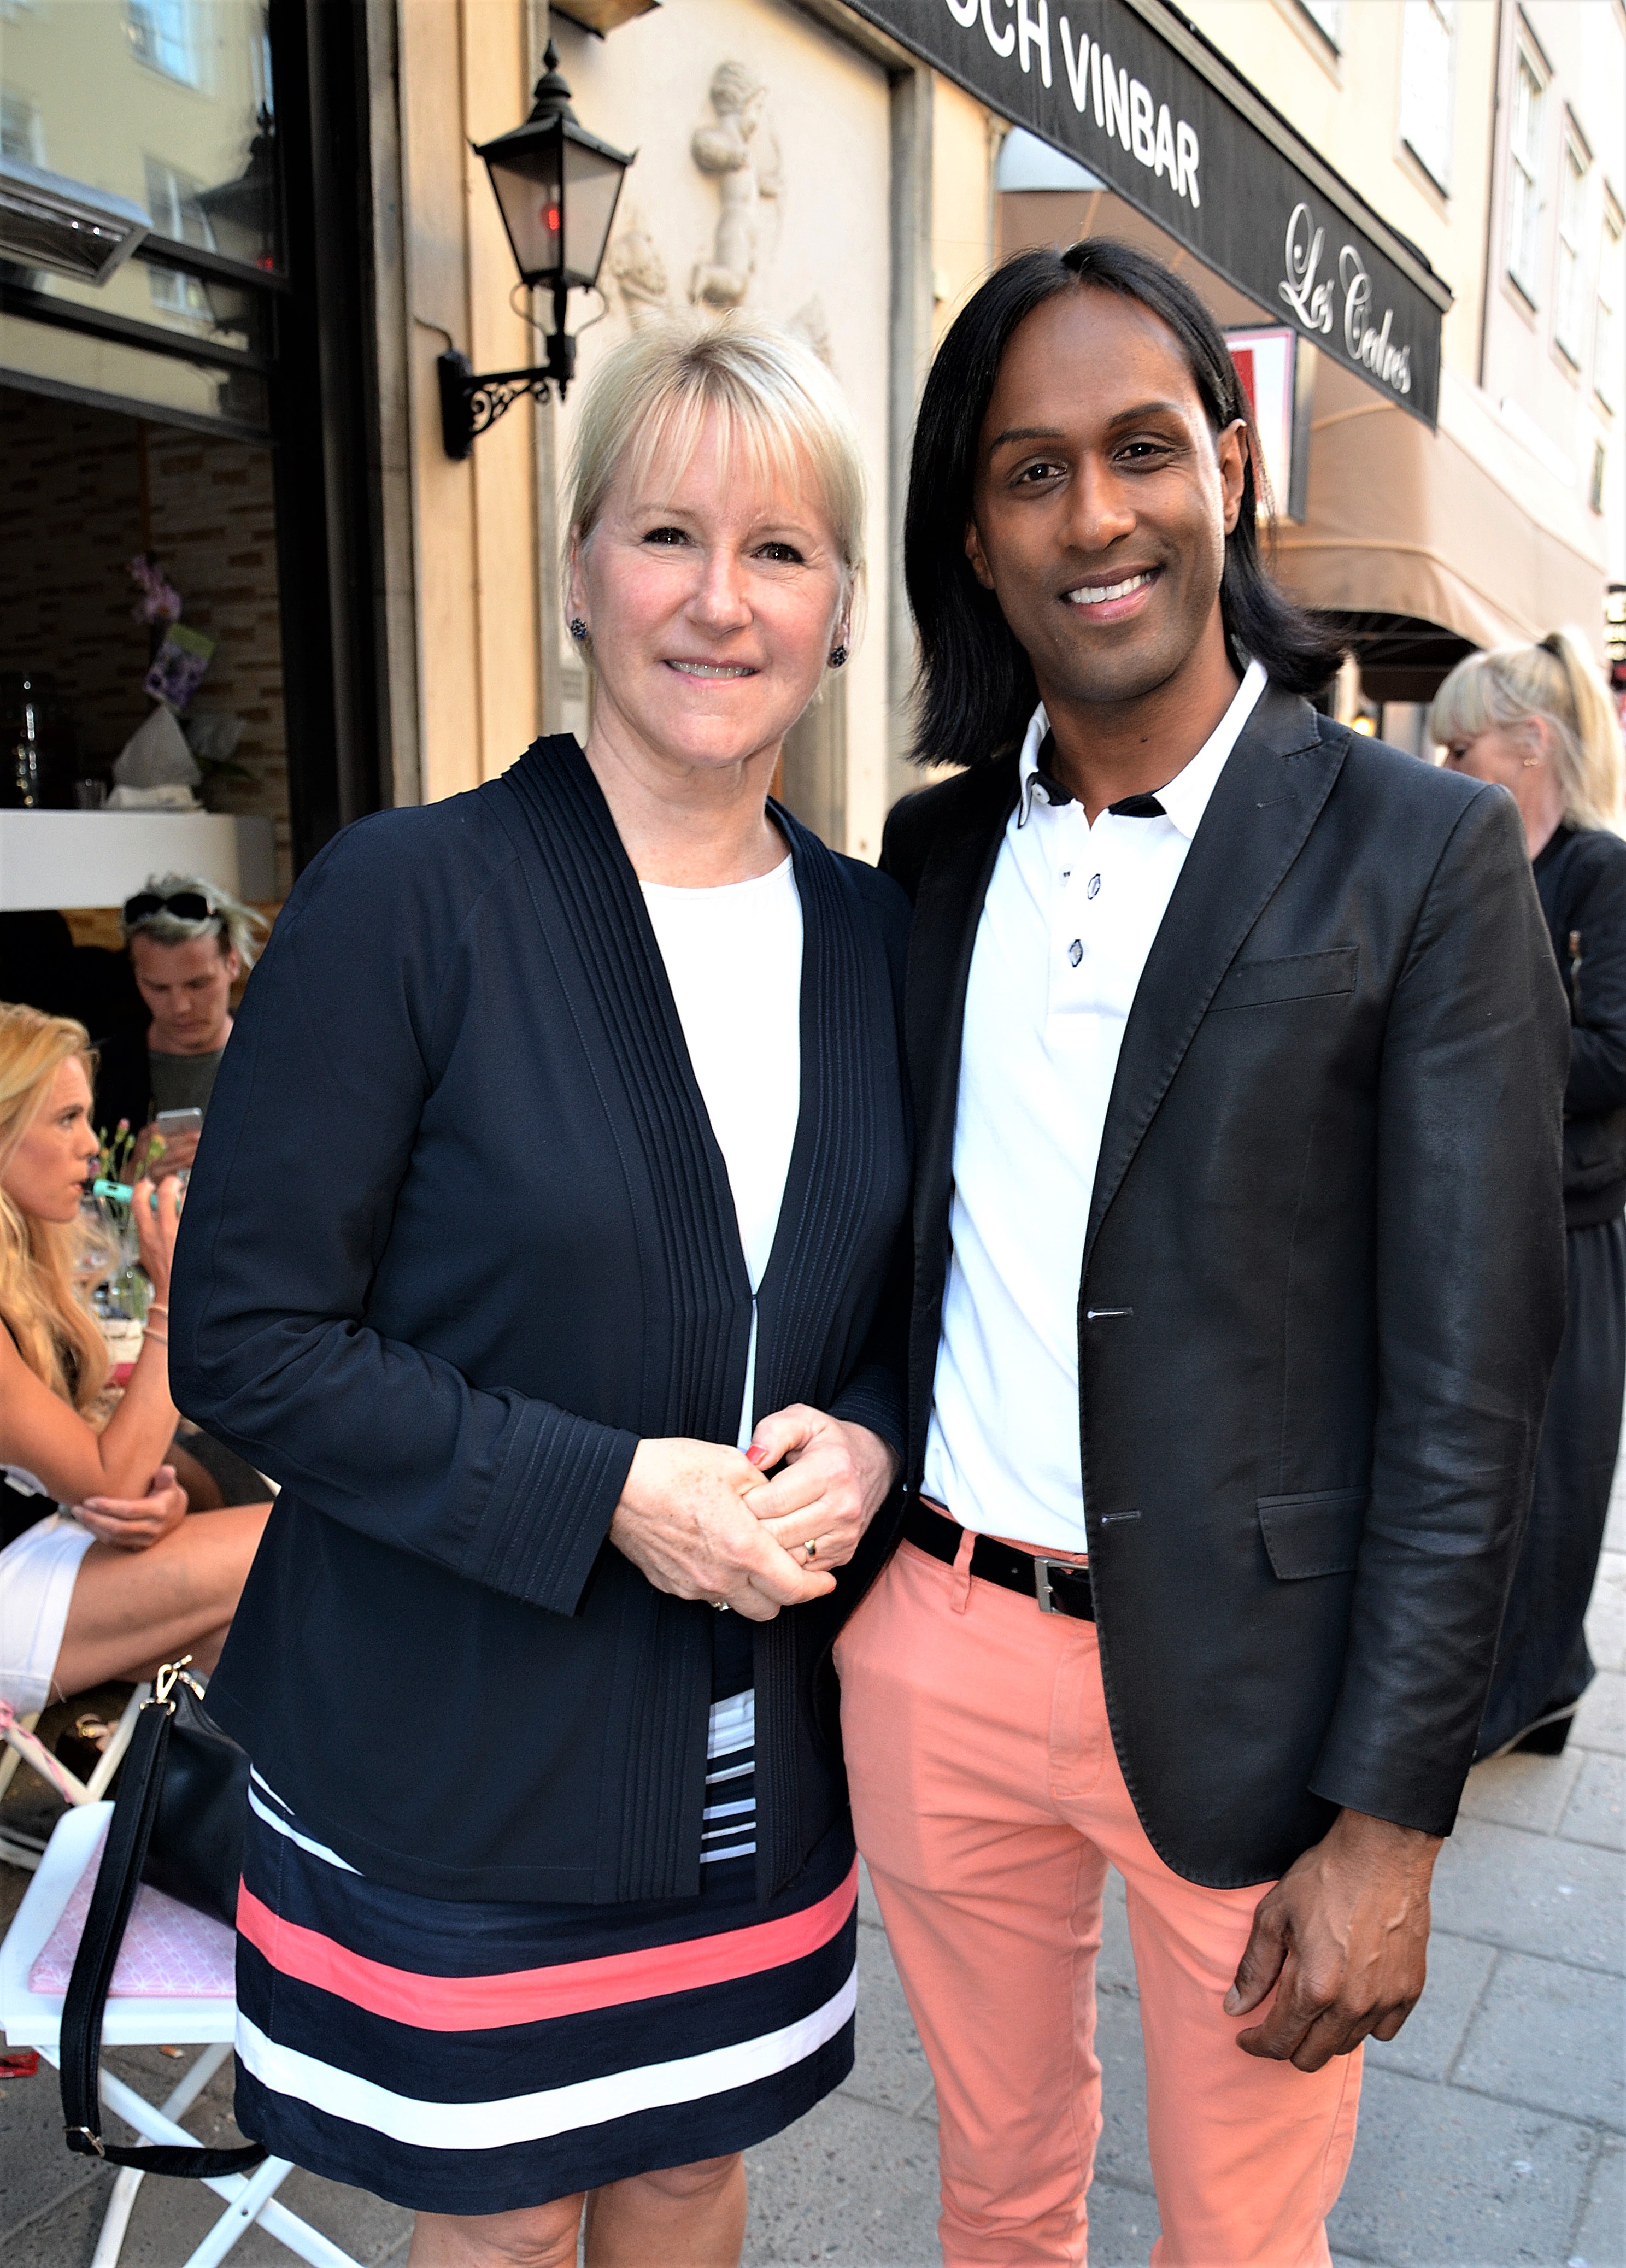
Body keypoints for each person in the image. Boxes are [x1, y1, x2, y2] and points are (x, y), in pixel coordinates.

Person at [832, 238, 1569, 2267]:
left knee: (1241, 2238)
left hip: (1260, 1691)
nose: (1095, 515)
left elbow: (1471, 1381)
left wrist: (1392, 1819)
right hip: (942, 1646)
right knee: (994, 2196)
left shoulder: (1415, 855)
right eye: (1030, 472)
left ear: (1229, 472)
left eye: (1141, 448)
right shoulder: (930, 854)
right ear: (973, 537)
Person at [170, 317, 910, 2268]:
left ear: (840, 608)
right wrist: (602, 1492)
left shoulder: (876, 941)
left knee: (688, 2174)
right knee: (504, 2223)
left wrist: (870, 1439)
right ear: (579, 568)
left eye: (779, 550)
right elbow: (246, 1340)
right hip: (463, 1749)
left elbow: (913, 1314)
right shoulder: (409, 899)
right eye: (666, 534)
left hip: (756, 1754)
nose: (719, 601)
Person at [1433, 629, 1626, 1761]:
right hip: (1476, 1216)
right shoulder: (1481, 861)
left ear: (1530, 743)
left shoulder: (1600, 874)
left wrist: (1468, 1054)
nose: (1447, 767)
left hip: (1569, 1227)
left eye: (1462, 747)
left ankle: (1536, 1688)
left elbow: (1614, 1054)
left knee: (1555, 1478)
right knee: (1482, 1469)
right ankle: (1517, 1682)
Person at [0, 1004, 269, 1713]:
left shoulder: (24, 1266)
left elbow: (95, 1468)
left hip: (44, 1544)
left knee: (254, 1635)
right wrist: (172, 1296)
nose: (92, 1147)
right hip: (14, 1580)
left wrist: (161, 1502)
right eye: (66, 1119)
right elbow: (110, 1474)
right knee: (291, 1539)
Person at [94, 876, 268, 1178]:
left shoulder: (282, 1062)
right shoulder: (98, 1072)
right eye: (158, 988)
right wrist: (128, 1181)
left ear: (233, 962)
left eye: (198, 984)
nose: (180, 1006)